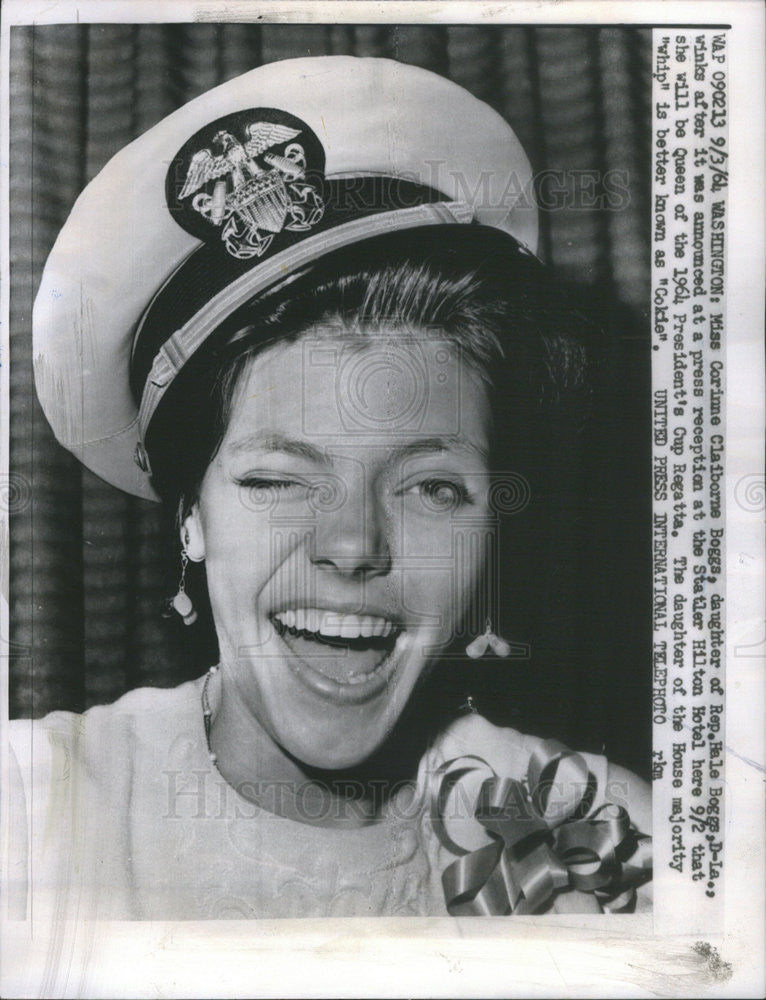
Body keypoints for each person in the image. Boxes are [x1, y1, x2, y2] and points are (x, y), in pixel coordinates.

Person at [7, 55, 651, 920]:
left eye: (432, 488)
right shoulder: (35, 816)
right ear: (191, 517)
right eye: (277, 479)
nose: (352, 545)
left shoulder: (607, 849)